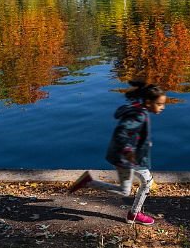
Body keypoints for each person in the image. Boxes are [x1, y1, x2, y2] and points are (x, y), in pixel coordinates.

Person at [65, 81, 167, 225]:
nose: (163, 107)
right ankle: (133, 214)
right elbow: (122, 132)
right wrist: (128, 151)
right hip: (126, 158)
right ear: (149, 102)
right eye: (160, 104)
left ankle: (90, 184)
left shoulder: (138, 110)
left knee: (141, 184)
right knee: (140, 185)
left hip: (128, 157)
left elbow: (130, 132)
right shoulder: (138, 115)